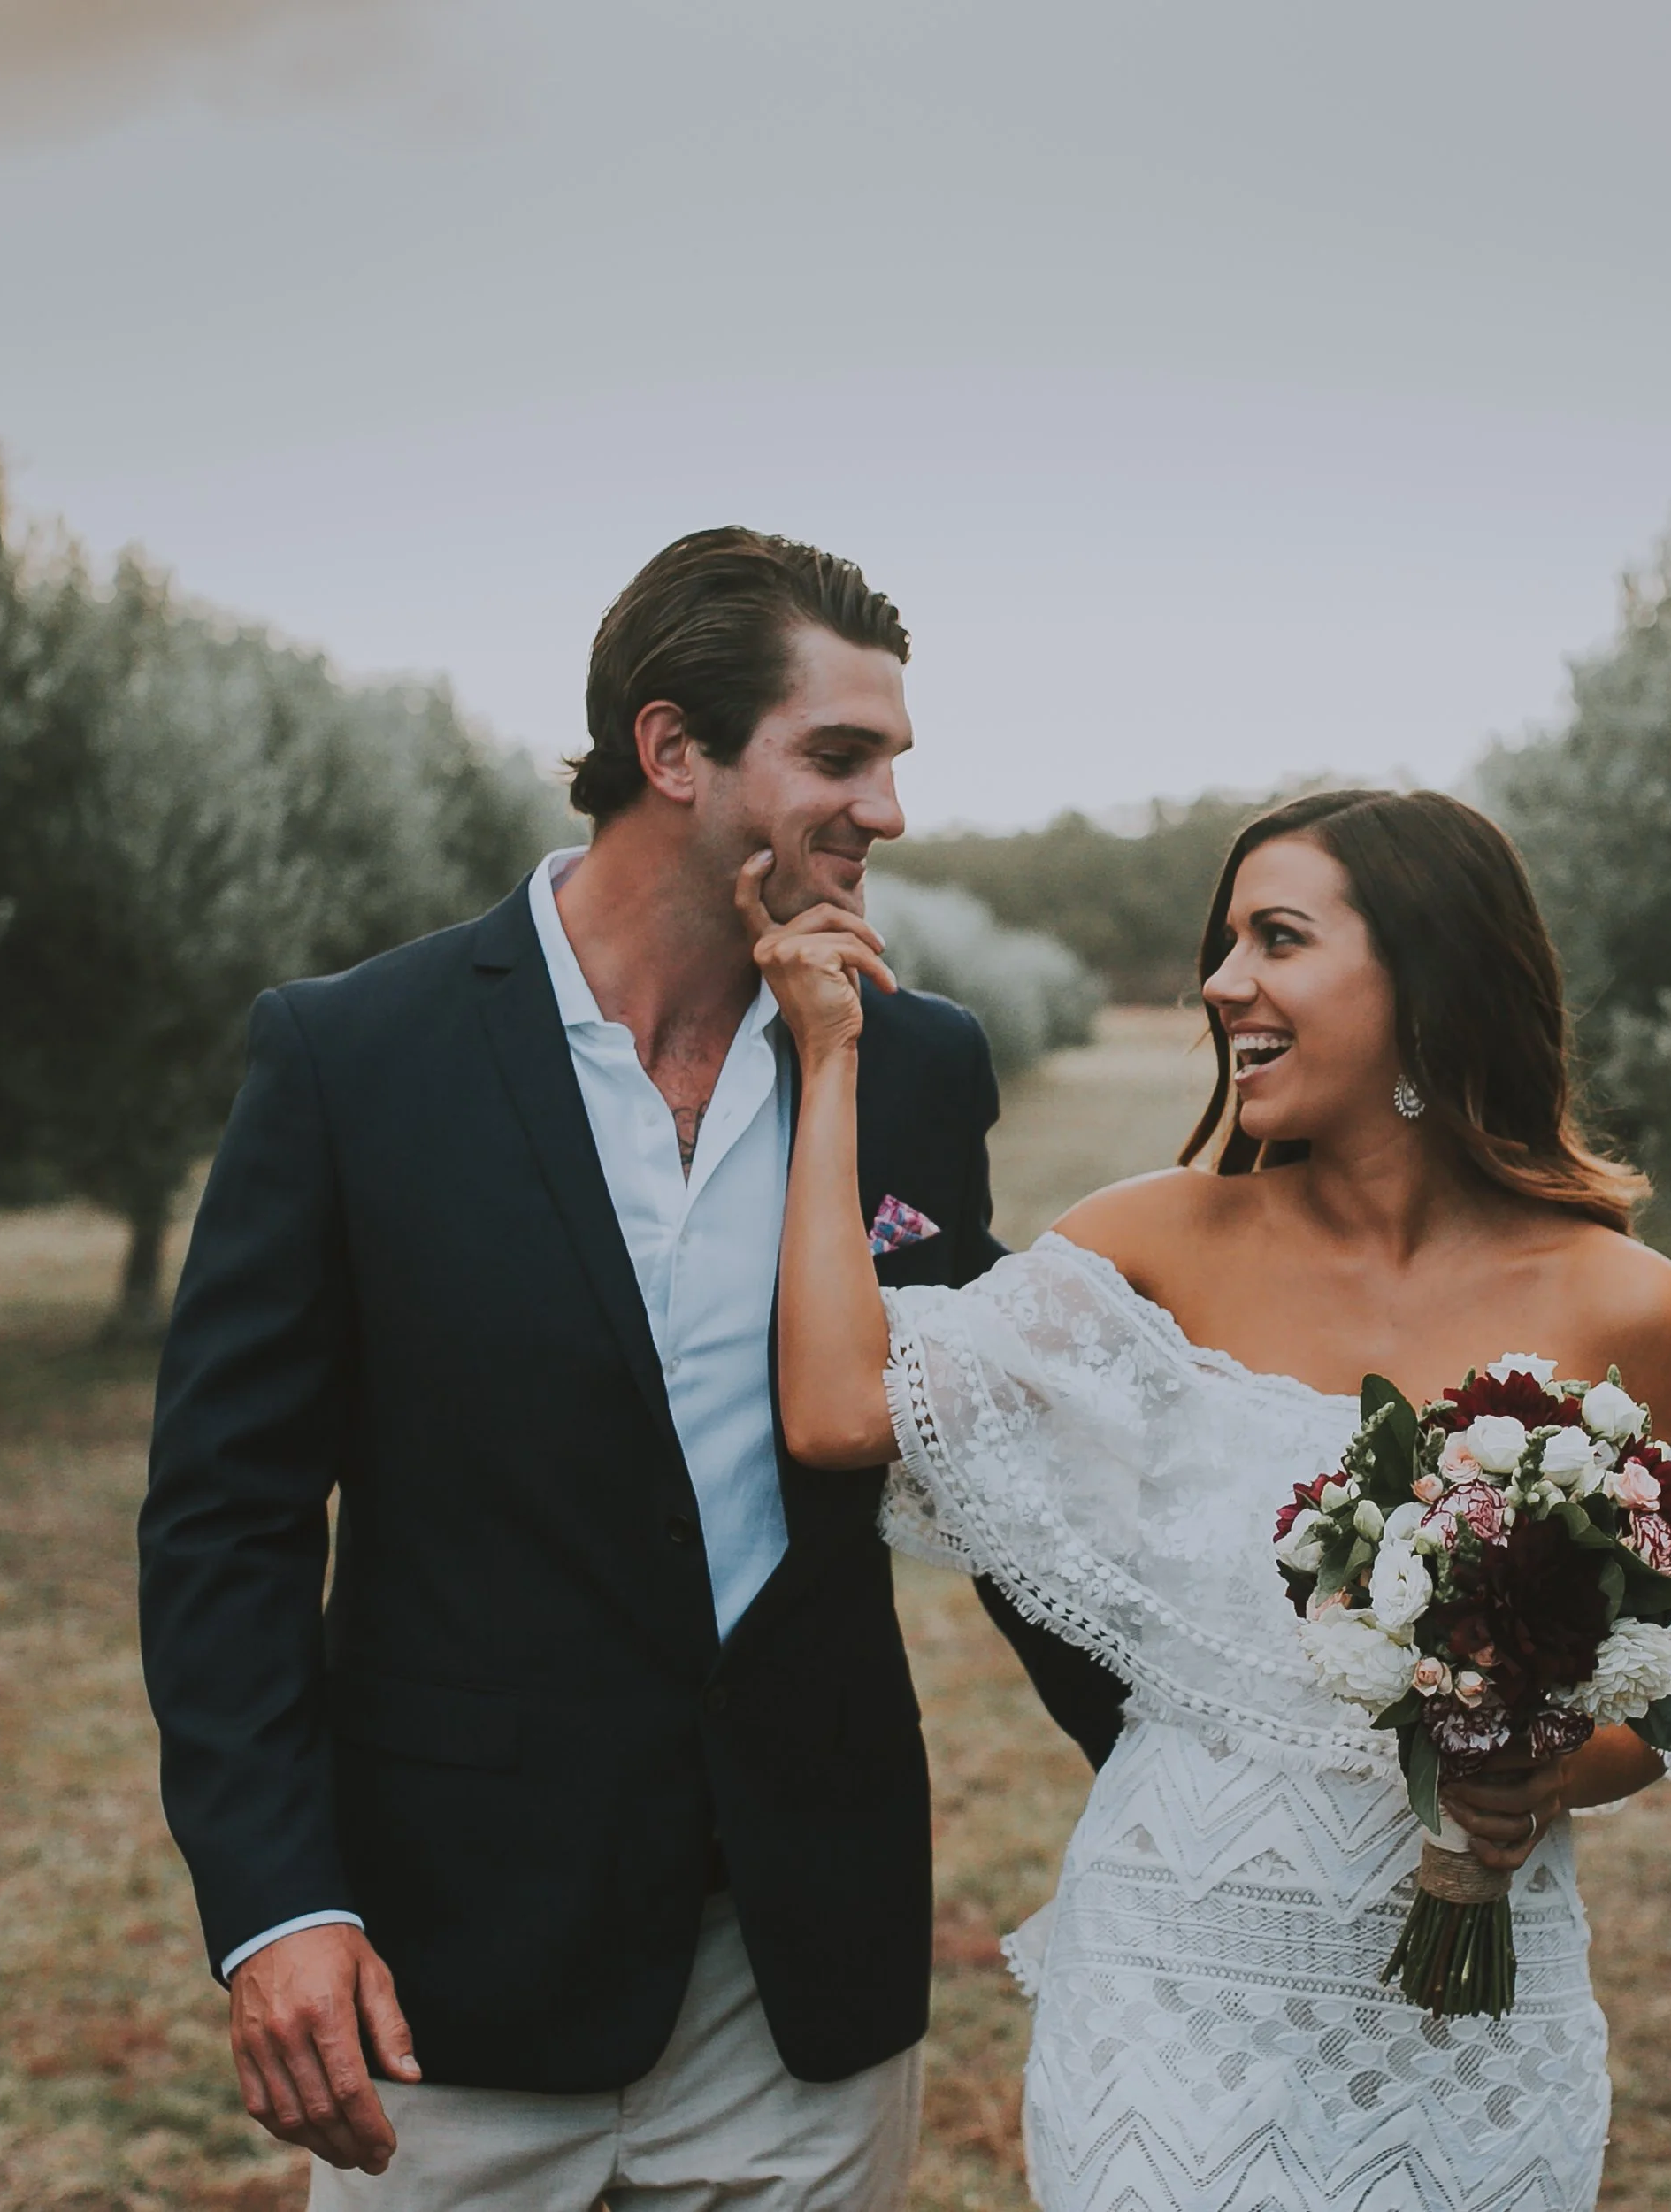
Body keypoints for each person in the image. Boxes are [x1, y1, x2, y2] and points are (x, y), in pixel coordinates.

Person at [137, 526, 1123, 2207]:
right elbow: (225, 1521)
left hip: (803, 1970)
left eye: (894, 761)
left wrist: (1223, 1754)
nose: (884, 808)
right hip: (450, 1981)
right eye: (839, 755)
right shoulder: (355, 1060)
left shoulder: (916, 1066)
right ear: (671, 752)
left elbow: (976, 1458)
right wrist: (278, 1907)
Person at [747, 786, 1671, 2211]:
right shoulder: (1157, 1242)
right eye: (1223, 938)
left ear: (1426, 981)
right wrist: (834, 1065)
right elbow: (837, 1409)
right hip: (1173, 1988)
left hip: (1475, 2033)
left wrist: (1537, 1768)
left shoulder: (1630, 1307)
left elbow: (1662, 1702)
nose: (1220, 980)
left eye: (1279, 938)